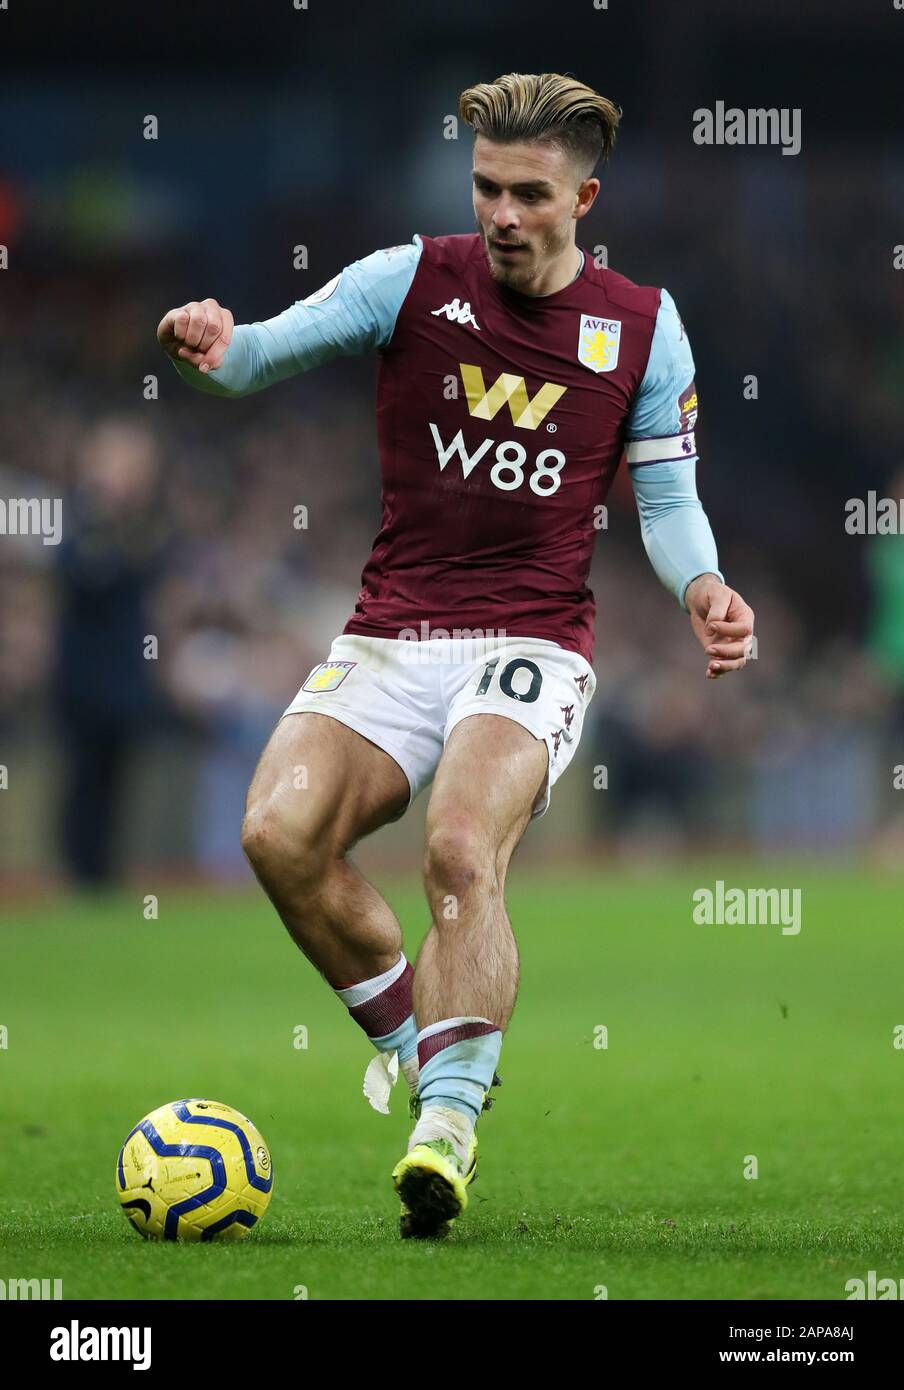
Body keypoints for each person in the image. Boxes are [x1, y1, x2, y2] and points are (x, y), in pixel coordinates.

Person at [157, 71, 754, 1239]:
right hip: (391, 630)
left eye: (530, 193)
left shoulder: (642, 325)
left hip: (532, 639)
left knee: (458, 844)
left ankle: (446, 1122)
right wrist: (214, 343)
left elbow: (667, 500)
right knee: (276, 834)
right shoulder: (410, 279)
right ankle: (420, 1037)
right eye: (485, 187)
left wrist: (702, 583)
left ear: (587, 195)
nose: (502, 215)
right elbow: (257, 357)